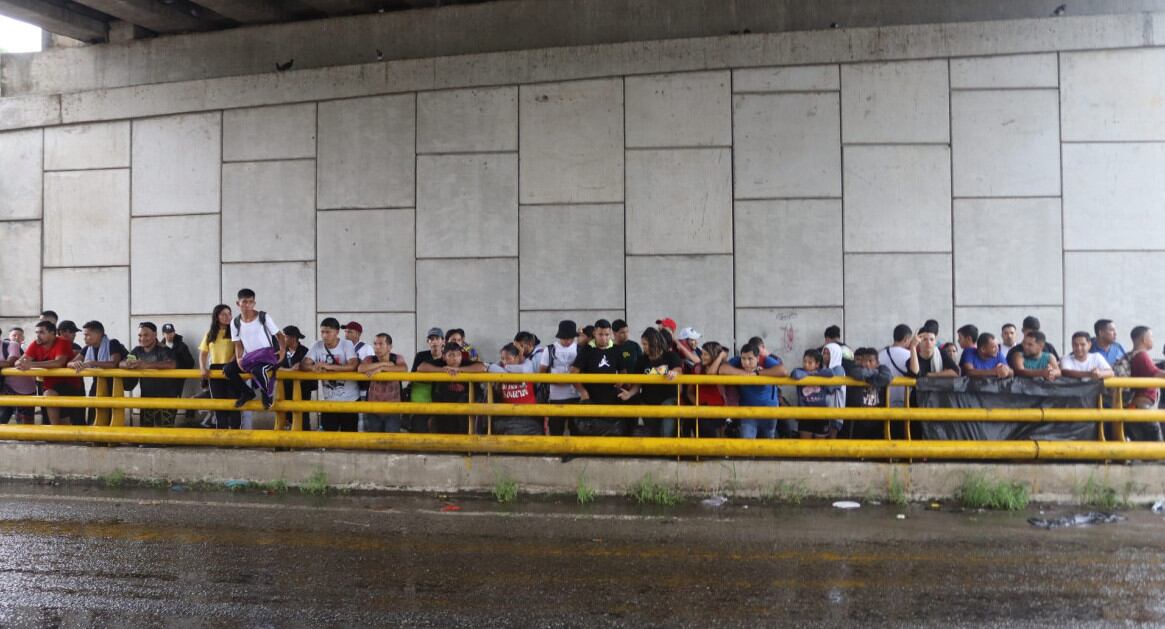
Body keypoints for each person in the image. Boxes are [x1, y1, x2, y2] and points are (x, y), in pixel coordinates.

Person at [225, 288, 286, 409]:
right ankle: (247, 393)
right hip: (249, 359)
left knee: (258, 371)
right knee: (228, 369)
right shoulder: (235, 322)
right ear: (238, 303)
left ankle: (267, 394)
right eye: (244, 302)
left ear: (254, 303)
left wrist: (282, 351)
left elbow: (279, 335)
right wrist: (238, 359)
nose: (247, 305)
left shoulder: (263, 317)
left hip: (267, 357)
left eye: (250, 302)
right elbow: (238, 344)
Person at [569, 319, 631, 436]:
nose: (604, 338)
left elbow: (623, 372)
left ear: (611, 334)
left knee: (612, 434)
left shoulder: (616, 350)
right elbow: (573, 373)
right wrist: (583, 392)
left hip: (612, 398)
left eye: (607, 335)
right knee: (590, 433)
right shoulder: (586, 350)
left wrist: (621, 381)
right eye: (600, 334)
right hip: (591, 398)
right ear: (594, 333)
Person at [617, 327, 682, 437]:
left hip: (668, 400)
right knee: (654, 433)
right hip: (648, 401)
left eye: (645, 344)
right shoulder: (642, 360)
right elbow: (638, 383)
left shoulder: (670, 356)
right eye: (643, 344)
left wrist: (673, 372)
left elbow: (678, 369)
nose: (644, 347)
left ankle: (667, 452)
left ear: (654, 343)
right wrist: (629, 394)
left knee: (666, 433)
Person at [16, 320, 81, 426]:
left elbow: (58, 362)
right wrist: (20, 363)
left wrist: (30, 364)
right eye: (36, 332)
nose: (38, 335)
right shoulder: (36, 344)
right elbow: (20, 361)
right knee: (50, 419)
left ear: (52, 333)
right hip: (47, 384)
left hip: (68, 384)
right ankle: (55, 432)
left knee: (66, 420)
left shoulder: (62, 342)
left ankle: (56, 432)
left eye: (41, 332)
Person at [717, 341, 787, 439]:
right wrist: (744, 373)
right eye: (743, 358)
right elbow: (722, 369)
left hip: (769, 410)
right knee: (747, 444)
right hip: (747, 411)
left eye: (750, 359)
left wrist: (758, 373)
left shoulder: (765, 360)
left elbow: (783, 371)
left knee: (767, 445)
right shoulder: (737, 361)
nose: (746, 362)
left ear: (758, 358)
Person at [300, 317, 360, 432]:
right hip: (328, 399)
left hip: (349, 399)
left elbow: (353, 365)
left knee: (349, 436)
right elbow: (303, 365)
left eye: (328, 332)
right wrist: (313, 367)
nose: (324, 335)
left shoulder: (346, 344)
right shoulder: (317, 345)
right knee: (328, 435)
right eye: (322, 332)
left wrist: (328, 366)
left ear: (337, 332)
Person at [69, 320, 129, 424]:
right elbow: (69, 363)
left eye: (87, 335)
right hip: (98, 382)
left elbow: (113, 363)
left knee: (111, 413)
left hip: (114, 384)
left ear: (99, 334)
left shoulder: (112, 343)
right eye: (84, 335)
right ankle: (95, 437)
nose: (84, 338)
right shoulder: (88, 348)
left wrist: (92, 363)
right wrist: (75, 364)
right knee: (94, 409)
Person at [120, 322, 178, 427]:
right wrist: (128, 364)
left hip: (166, 398)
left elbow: (171, 364)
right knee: (146, 434)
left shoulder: (164, 350)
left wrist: (147, 365)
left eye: (146, 335)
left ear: (155, 335)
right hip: (146, 397)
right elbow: (121, 363)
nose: (142, 338)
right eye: (140, 335)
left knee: (164, 436)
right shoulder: (137, 351)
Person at [422, 342, 487, 433]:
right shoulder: (440, 363)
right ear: (444, 357)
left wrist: (459, 370)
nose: (455, 358)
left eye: (458, 355)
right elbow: (421, 367)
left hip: (466, 413)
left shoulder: (465, 363)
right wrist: (442, 370)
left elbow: (482, 367)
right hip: (444, 412)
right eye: (451, 355)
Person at [199, 305, 241, 429]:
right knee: (218, 403)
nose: (227, 317)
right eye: (223, 314)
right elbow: (203, 353)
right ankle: (221, 433)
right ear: (216, 317)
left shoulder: (235, 331)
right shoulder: (210, 334)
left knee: (234, 402)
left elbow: (239, 351)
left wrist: (230, 365)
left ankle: (235, 434)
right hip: (215, 370)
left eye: (229, 314)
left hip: (231, 368)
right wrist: (203, 368)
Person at [488, 343, 542, 435]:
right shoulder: (500, 368)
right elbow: (489, 366)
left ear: (517, 358)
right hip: (508, 415)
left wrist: (506, 370)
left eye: (508, 359)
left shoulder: (527, 365)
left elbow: (524, 369)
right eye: (502, 359)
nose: (504, 362)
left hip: (529, 415)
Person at [359, 333, 408, 433]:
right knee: (375, 440)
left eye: (381, 344)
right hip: (373, 408)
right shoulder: (370, 358)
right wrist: (384, 364)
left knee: (392, 440)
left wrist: (381, 369)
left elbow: (404, 369)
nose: (377, 347)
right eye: (375, 344)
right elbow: (361, 368)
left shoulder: (396, 358)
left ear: (389, 347)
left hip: (393, 409)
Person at [539, 320, 580, 436]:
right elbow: (541, 373)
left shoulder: (579, 349)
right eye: (565, 338)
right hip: (555, 396)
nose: (568, 341)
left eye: (570, 338)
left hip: (575, 395)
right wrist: (560, 381)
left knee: (576, 429)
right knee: (556, 429)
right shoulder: (550, 349)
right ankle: (557, 452)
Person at [791, 348, 843, 439]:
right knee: (805, 446)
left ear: (817, 364)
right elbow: (796, 374)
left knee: (819, 446)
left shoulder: (822, 372)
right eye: (805, 361)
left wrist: (813, 374)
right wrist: (811, 374)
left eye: (810, 362)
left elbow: (830, 373)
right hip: (805, 415)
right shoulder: (800, 371)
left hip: (821, 414)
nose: (806, 364)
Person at [844, 347, 894, 438]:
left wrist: (870, 377)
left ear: (877, 363)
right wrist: (874, 373)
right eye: (865, 361)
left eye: (871, 361)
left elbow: (887, 378)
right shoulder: (856, 369)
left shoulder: (883, 369)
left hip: (877, 417)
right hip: (858, 419)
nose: (867, 364)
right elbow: (859, 374)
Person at [1125, 326, 1164, 441]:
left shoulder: (1132, 355)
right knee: (1156, 447)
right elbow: (1155, 373)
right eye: (1151, 336)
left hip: (1135, 406)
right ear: (1144, 339)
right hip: (1143, 407)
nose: (1153, 339)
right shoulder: (1142, 355)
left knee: (1142, 444)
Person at [687, 341, 729, 437]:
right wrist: (698, 405)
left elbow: (710, 374)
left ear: (714, 355)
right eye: (702, 354)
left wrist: (720, 356)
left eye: (706, 354)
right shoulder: (697, 368)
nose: (702, 357)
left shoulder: (723, 367)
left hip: (719, 410)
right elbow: (689, 392)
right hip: (702, 411)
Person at [409, 327, 447, 433]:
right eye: (431, 339)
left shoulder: (447, 356)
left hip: (440, 398)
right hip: (420, 398)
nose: (434, 341)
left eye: (437, 338)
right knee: (419, 429)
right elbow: (415, 373)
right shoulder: (421, 355)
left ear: (443, 341)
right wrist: (440, 371)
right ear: (428, 342)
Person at [279, 325, 314, 429]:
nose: (283, 339)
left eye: (285, 337)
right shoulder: (281, 351)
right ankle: (288, 441)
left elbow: (306, 366)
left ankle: (304, 439)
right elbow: (275, 367)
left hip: (303, 388)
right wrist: (290, 370)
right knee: (287, 414)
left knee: (303, 413)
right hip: (285, 388)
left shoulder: (305, 351)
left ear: (293, 338)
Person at [0, 334, 35, 425]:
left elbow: (10, 362)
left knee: (25, 428)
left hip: (23, 390)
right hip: (3, 390)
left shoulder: (12, 345)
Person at [878, 324, 914, 407]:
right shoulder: (910, 356)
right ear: (906, 339)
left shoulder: (880, 354)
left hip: (884, 403)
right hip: (905, 403)